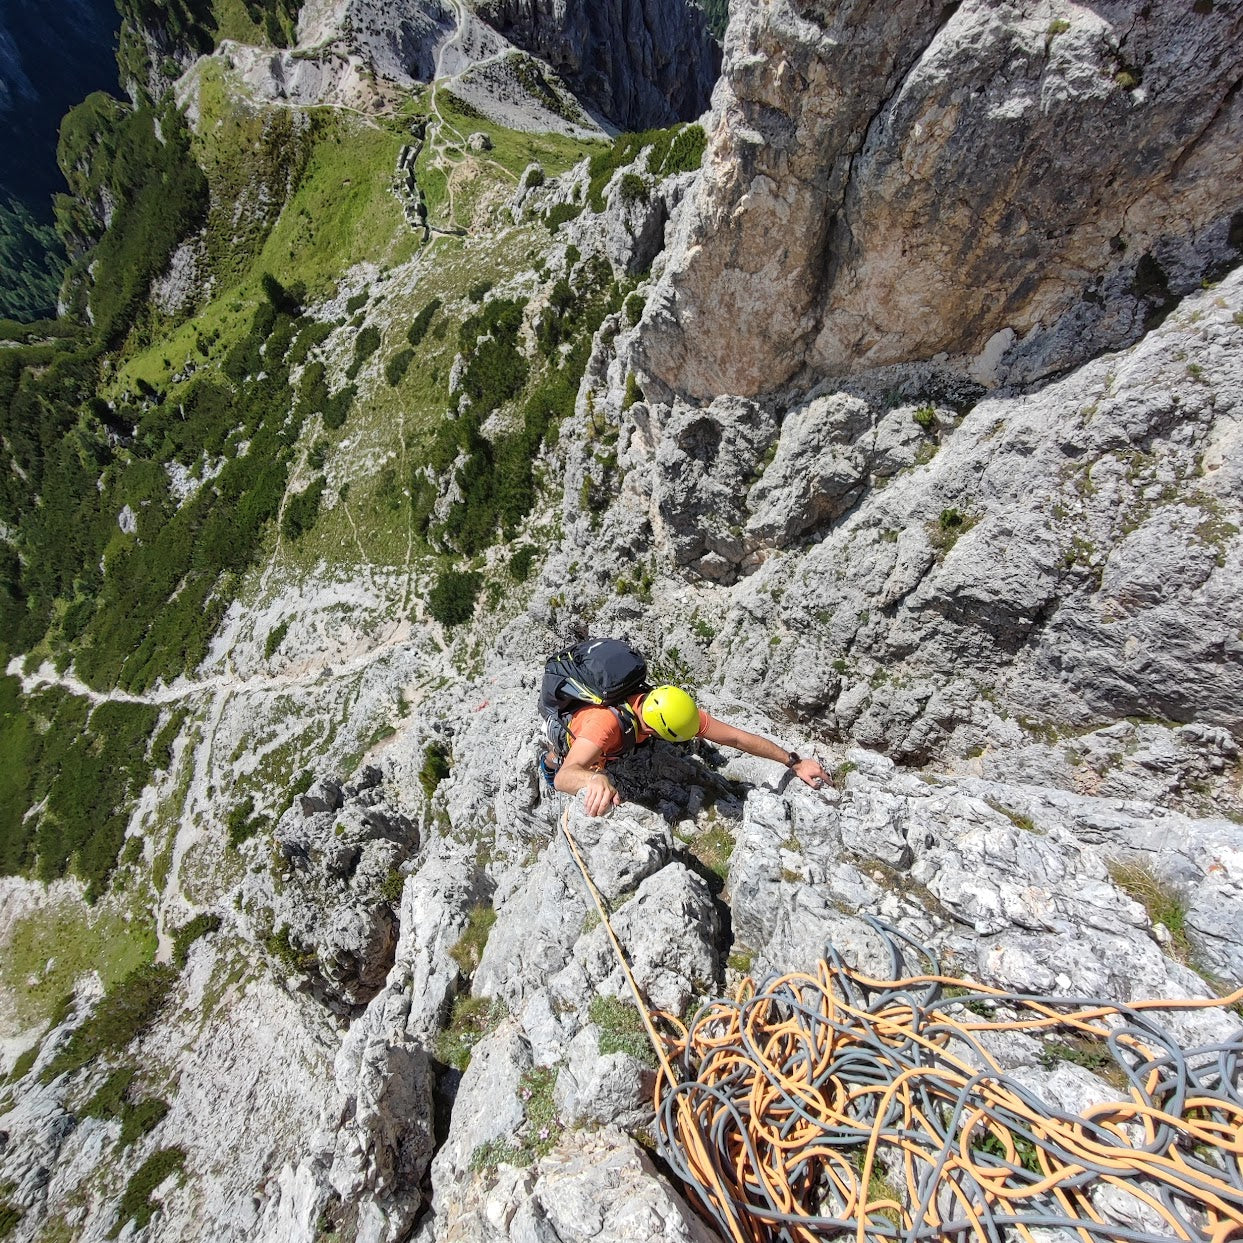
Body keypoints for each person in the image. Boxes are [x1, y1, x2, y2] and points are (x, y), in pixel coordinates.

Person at [541, 681, 832, 817]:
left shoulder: (667, 706)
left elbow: (736, 738)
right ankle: (549, 757)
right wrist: (594, 778)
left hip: (620, 739)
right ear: (655, 732)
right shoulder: (603, 726)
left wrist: (793, 762)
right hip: (577, 736)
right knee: (562, 759)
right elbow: (566, 777)